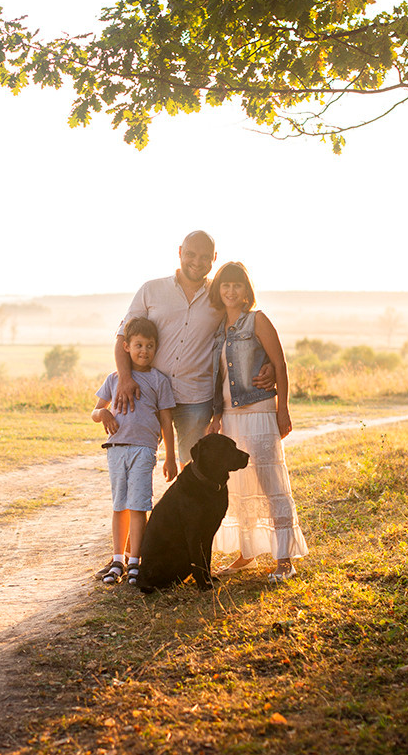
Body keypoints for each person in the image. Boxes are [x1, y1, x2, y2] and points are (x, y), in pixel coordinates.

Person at [115, 231, 273, 464]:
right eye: (190, 254)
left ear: (214, 258)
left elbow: (246, 328)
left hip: (197, 398)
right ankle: (138, 502)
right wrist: (125, 378)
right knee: (138, 458)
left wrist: (269, 364)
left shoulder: (220, 295)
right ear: (180, 252)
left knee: (192, 467)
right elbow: (122, 338)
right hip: (149, 392)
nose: (197, 262)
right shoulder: (151, 290)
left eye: (204, 256)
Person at [205, 261, 308, 583]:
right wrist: (216, 417)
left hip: (261, 412)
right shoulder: (217, 329)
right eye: (225, 285)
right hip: (231, 417)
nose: (231, 291)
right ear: (218, 290)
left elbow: (280, 364)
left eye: (237, 285)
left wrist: (283, 409)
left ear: (246, 290)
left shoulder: (257, 320)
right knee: (239, 487)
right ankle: (246, 555)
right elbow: (219, 376)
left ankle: (284, 559)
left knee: (271, 485)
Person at [92, 317, 178, 586]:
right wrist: (104, 412)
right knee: (120, 506)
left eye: (150, 346)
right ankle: (117, 559)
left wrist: (171, 457)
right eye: (139, 345)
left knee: (139, 505)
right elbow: (95, 411)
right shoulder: (114, 378)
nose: (144, 351)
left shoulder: (158, 380)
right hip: (116, 449)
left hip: (144, 449)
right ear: (126, 346)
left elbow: (166, 421)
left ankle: (134, 562)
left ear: (156, 349)